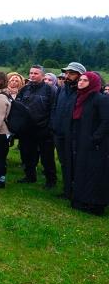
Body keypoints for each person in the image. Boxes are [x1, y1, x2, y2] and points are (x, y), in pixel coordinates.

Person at [67, 71, 109, 215]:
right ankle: (81, 200)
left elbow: (106, 121)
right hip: (81, 141)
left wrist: (95, 138)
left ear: (93, 83)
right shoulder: (80, 98)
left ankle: (95, 204)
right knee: (82, 171)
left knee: (94, 173)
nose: (81, 82)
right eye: (80, 80)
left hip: (95, 144)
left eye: (85, 80)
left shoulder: (101, 99)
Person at [15, 65, 57, 188]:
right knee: (27, 154)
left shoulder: (50, 90)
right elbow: (18, 106)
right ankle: (29, 176)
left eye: (36, 73)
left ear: (43, 76)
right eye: (31, 73)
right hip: (27, 129)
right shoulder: (25, 89)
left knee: (47, 157)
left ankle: (51, 181)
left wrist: (50, 127)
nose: (32, 75)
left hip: (44, 129)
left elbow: (54, 109)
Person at [51, 62, 85, 199]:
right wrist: (53, 124)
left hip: (74, 134)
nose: (67, 76)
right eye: (66, 73)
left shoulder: (83, 92)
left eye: (71, 73)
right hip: (59, 132)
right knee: (64, 162)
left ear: (80, 75)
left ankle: (77, 191)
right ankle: (67, 190)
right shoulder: (62, 89)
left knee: (76, 163)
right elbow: (54, 107)